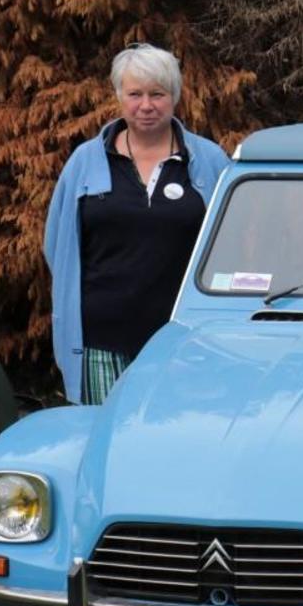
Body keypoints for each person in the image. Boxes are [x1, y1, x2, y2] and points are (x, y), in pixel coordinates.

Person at [44, 43, 231, 404]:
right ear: (118, 96)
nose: (146, 105)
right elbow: (58, 246)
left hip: (184, 342)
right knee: (105, 432)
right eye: (135, 94)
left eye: (157, 94)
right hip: (100, 342)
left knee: (173, 431)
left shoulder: (208, 161)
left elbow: (232, 246)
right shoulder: (85, 162)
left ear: (175, 96)